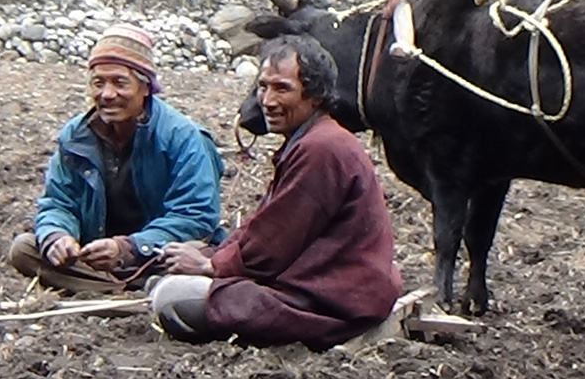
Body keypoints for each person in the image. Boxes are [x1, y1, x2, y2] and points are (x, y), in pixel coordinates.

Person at [150, 34, 402, 351]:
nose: (267, 101)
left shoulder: (320, 148)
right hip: (333, 290)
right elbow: (263, 225)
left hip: (335, 303)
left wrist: (209, 267)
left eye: (282, 88)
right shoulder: (311, 140)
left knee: (171, 297)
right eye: (263, 86)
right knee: (170, 285)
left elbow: (270, 245)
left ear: (315, 96)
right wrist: (210, 254)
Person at [8, 23, 226, 293]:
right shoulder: (77, 136)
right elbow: (58, 201)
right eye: (98, 83)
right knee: (25, 249)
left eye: (120, 83)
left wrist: (128, 247)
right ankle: (135, 295)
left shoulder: (184, 137)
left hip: (155, 255)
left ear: (145, 88)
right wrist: (57, 236)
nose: (107, 95)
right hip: (98, 258)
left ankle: (114, 291)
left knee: (194, 255)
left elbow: (196, 217)